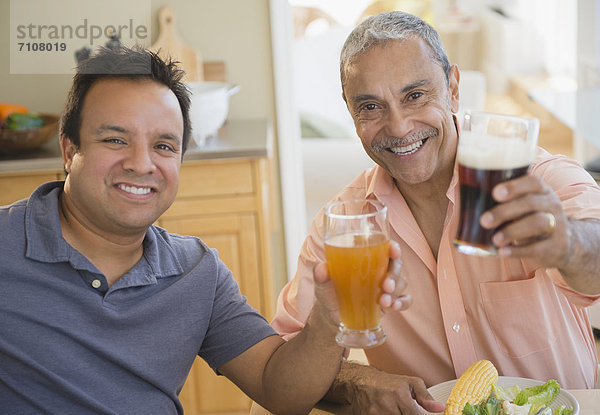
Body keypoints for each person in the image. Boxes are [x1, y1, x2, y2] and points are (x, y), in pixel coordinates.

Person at [0, 46, 410, 415]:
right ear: (70, 151)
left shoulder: (197, 271)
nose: (142, 164)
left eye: (163, 146)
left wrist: (327, 321)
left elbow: (278, 388)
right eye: (115, 139)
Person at [272, 11, 600, 414]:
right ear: (349, 110)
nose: (399, 126)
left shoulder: (535, 176)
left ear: (454, 87)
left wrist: (566, 242)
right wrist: (355, 380)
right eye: (371, 106)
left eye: (415, 96)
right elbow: (283, 367)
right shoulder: (342, 227)